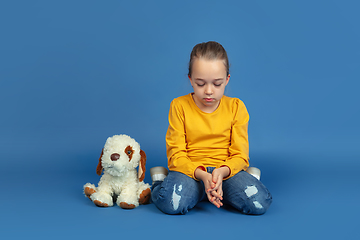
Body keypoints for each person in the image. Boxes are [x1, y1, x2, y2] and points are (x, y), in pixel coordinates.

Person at [150, 41, 272, 215]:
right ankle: (159, 182)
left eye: (217, 84)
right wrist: (203, 176)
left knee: (258, 203)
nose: (208, 91)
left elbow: (240, 155)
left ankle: (242, 181)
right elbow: (176, 155)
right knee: (172, 203)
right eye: (200, 83)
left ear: (227, 80)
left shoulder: (236, 107)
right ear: (190, 79)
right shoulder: (179, 106)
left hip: (226, 172)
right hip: (191, 173)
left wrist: (221, 173)